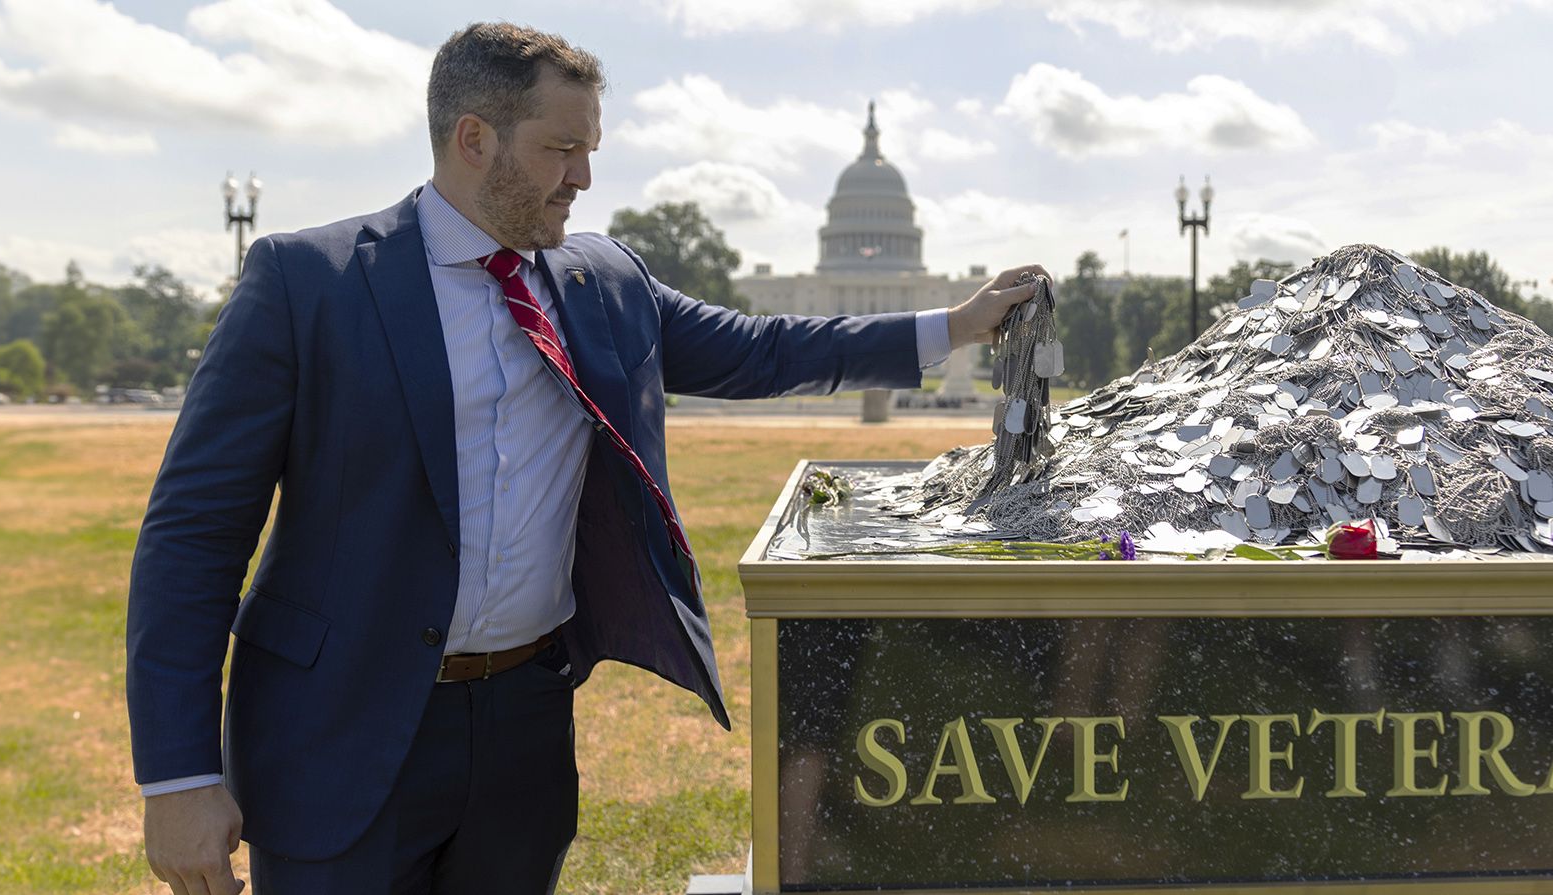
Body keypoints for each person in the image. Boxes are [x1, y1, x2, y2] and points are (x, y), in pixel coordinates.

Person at [126, 22, 1046, 895]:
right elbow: (193, 536)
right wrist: (177, 775)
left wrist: (954, 327)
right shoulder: (309, 283)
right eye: (562, 150)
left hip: (523, 724)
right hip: (338, 733)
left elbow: (762, 350)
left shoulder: (600, 279)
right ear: (474, 138)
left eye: (591, 148)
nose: (586, 178)